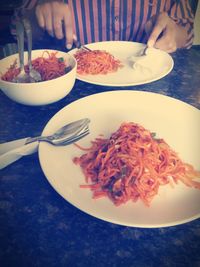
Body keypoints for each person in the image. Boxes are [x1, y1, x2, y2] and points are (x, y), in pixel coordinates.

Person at [12, 0, 197, 53]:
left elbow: (186, 33)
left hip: (150, 81)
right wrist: (39, 16)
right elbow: (17, 28)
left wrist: (174, 33)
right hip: (72, 84)